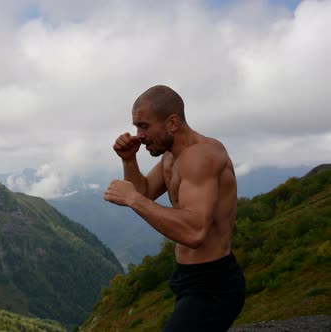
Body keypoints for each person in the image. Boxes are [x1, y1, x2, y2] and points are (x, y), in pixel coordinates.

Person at [104, 85, 245, 331]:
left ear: (172, 123)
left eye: (144, 126)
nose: (137, 135)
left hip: (213, 284)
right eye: (136, 126)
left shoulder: (201, 156)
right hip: (188, 278)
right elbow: (144, 190)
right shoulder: (171, 156)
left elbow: (194, 232)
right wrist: (129, 159)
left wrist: (133, 200)